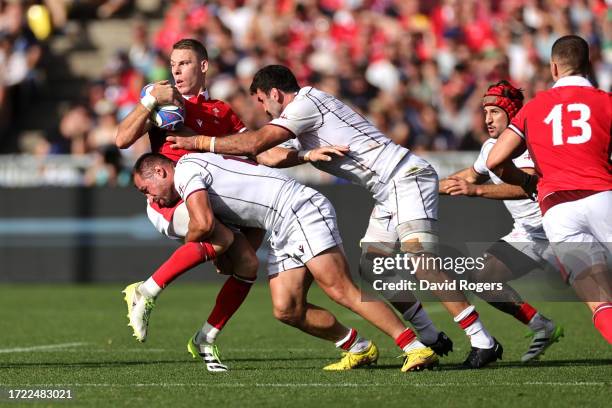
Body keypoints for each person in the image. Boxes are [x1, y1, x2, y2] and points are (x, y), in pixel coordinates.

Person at [167, 65, 502, 368]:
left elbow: (255, 143)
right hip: (388, 190)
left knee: (420, 259)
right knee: (374, 267)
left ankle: (481, 340)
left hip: (403, 176)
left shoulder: (303, 106)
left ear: (274, 93)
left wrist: (197, 141)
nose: (263, 109)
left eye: (260, 101)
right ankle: (428, 336)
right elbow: (268, 157)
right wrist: (305, 154)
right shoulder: (303, 113)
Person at [131, 151, 441, 372]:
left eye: (146, 190)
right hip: (280, 224)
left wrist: (194, 249)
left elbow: (202, 223)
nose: (151, 200)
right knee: (287, 309)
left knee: (340, 289)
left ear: (160, 172)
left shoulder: (185, 171)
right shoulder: (193, 177)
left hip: (299, 208)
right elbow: (246, 236)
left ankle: (414, 347)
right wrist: (227, 255)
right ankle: (357, 347)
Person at [115, 38, 258, 372]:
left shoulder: (222, 111)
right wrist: (148, 101)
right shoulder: (166, 103)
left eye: (184, 63)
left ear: (203, 66)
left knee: (248, 265)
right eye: (173, 63)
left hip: (210, 200)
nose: (176, 70)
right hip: (169, 201)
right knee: (216, 235)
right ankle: (145, 291)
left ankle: (205, 338)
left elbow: (252, 150)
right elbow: (122, 139)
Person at [486, 35, 612, 344]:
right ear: (589, 65)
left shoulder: (534, 108)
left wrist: (528, 181)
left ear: (554, 68)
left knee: (599, 300)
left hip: (558, 211)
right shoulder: (605, 102)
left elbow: (495, 160)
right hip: (603, 197)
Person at [440, 80, 563, 361]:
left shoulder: (534, 140)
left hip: (562, 229)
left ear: (512, 113)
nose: (488, 119)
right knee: (482, 278)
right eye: (485, 112)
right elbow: (468, 177)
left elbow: (527, 186)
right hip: (530, 234)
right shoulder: (491, 147)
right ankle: (541, 325)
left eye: (495, 111)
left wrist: (478, 190)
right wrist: (420, 186)